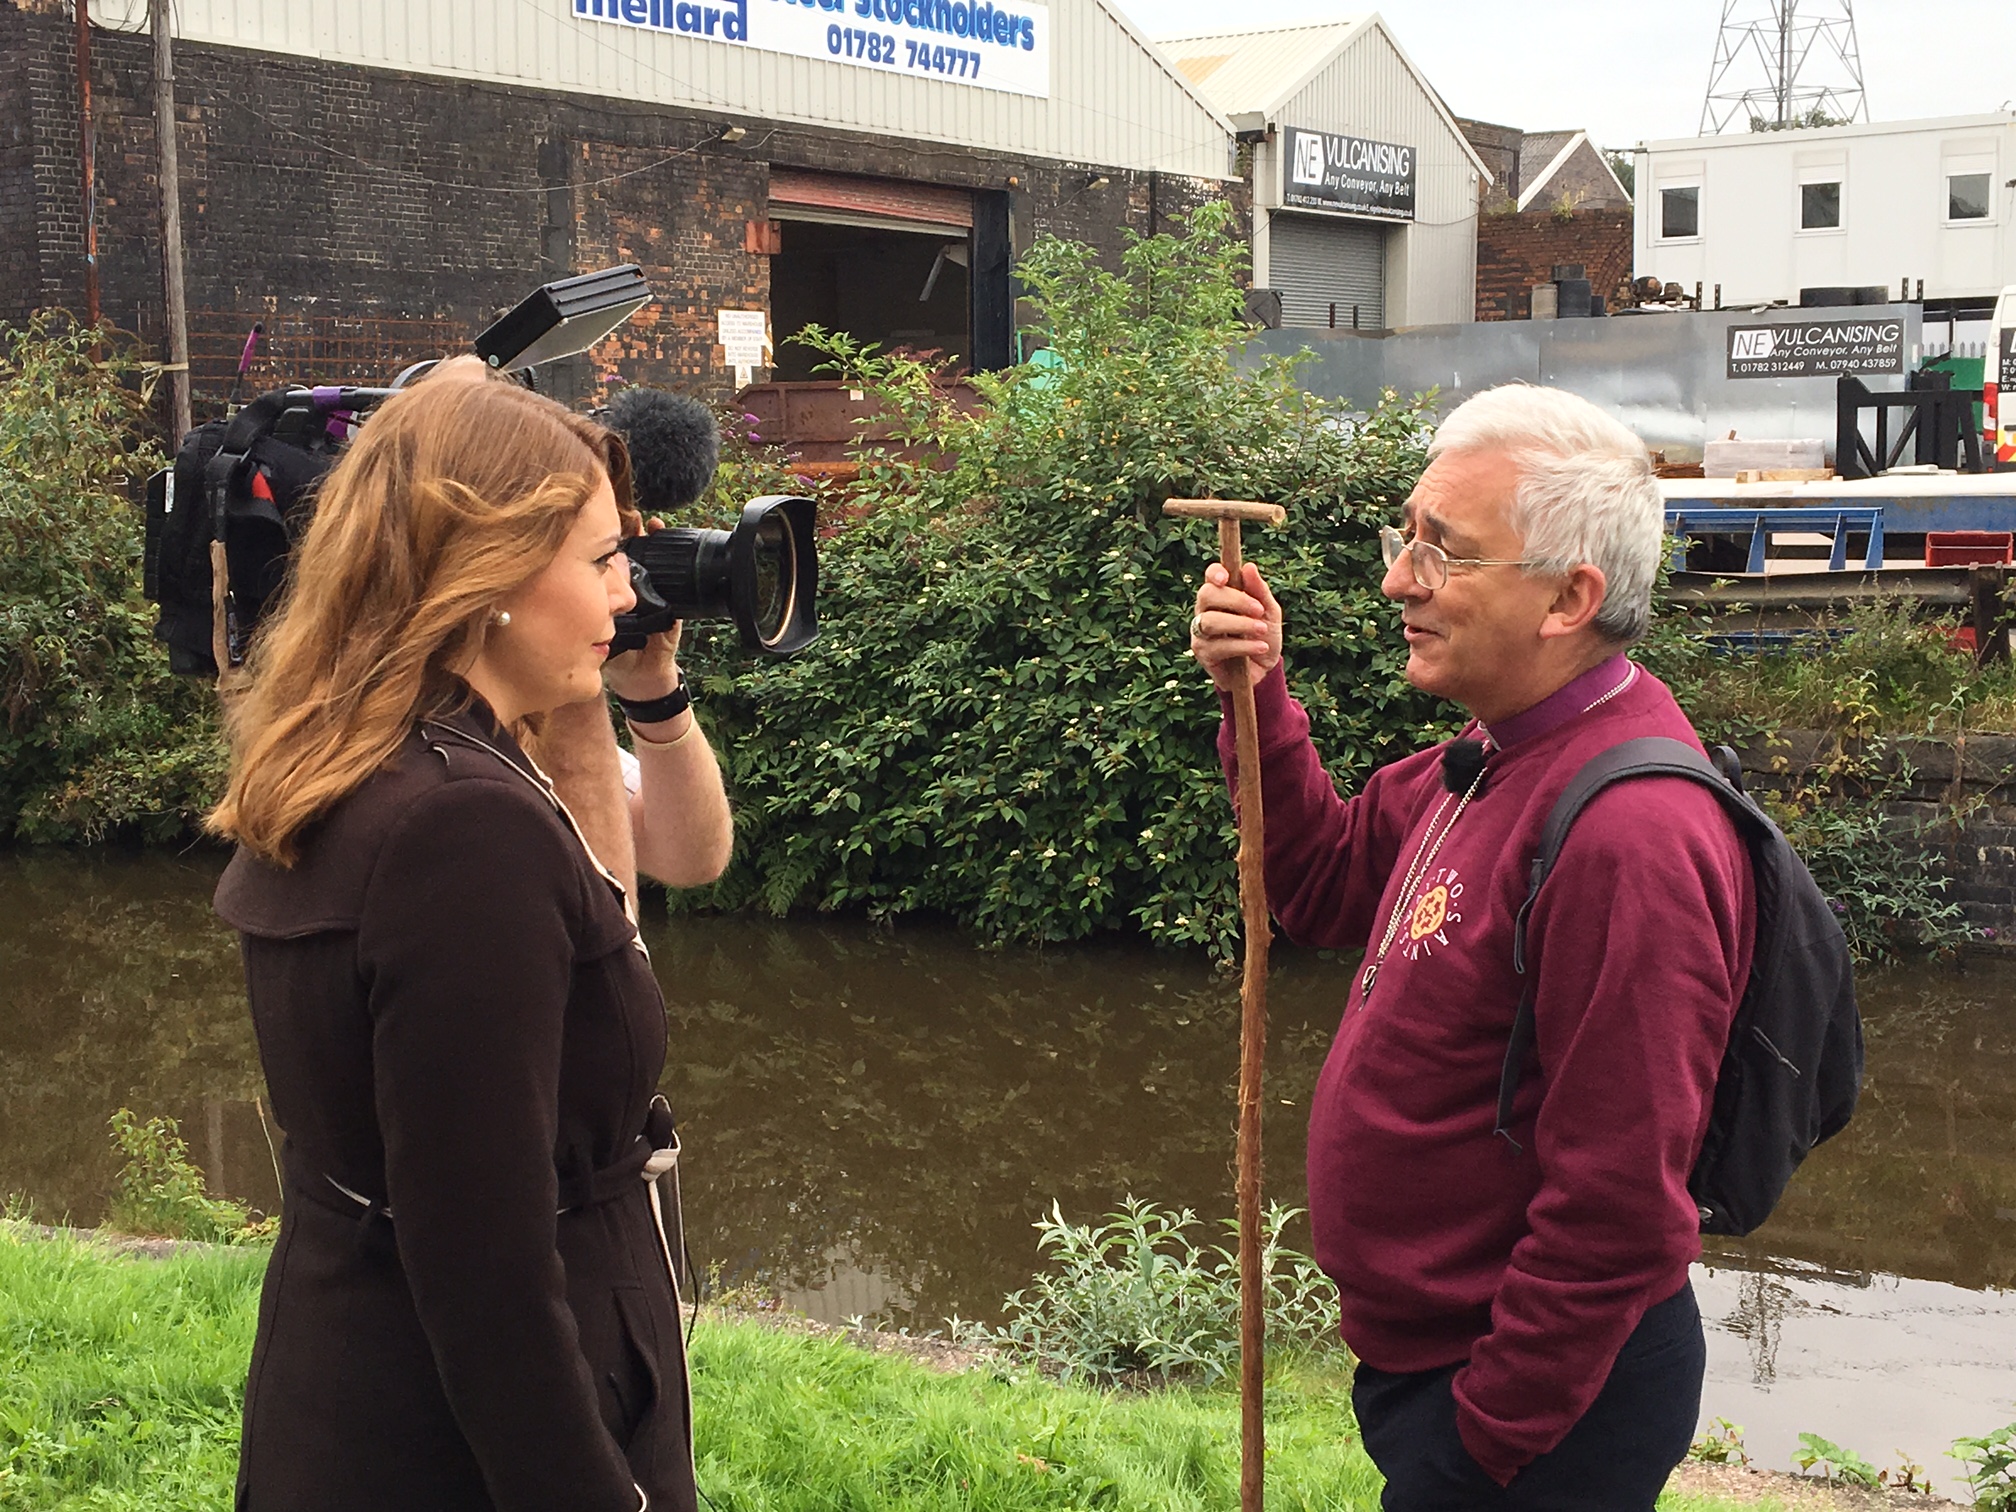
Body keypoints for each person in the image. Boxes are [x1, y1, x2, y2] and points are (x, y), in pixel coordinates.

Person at [1189, 384, 1753, 1512]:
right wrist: (1258, 693)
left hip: (1540, 1415)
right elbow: (1317, 880)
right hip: (1444, 1367)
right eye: (1408, 538)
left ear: (1568, 597)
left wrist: (1480, 1446)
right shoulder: (1495, 753)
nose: (1399, 578)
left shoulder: (1628, 833)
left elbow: (1618, 1212)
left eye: (1442, 552)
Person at [207, 358, 729, 1512]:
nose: (621, 599)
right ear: (485, 572)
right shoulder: (463, 828)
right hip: (474, 1447)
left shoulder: (365, 758)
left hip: (356, 1384)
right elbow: (484, 1266)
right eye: (599, 562)